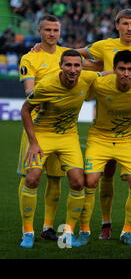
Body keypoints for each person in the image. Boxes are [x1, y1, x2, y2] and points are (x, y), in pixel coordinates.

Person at [19, 50, 99, 248]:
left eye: (77, 65)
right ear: (61, 66)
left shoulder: (88, 78)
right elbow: (25, 110)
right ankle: (27, 232)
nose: (73, 70)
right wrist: (34, 143)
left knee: (78, 182)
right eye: (68, 65)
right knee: (32, 178)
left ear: (82, 67)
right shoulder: (46, 85)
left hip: (68, 137)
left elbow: (107, 74)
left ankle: (69, 232)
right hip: (43, 135)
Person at [74, 50, 131, 246]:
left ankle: (127, 231)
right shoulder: (100, 84)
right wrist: (104, 73)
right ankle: (84, 231)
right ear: (115, 69)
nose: (126, 73)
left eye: (130, 69)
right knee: (91, 181)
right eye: (121, 69)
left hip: (128, 140)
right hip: (100, 138)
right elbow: (83, 82)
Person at [17, 15, 69, 241]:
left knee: (56, 178)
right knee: (32, 177)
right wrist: (47, 96)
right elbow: (29, 90)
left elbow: (94, 62)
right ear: (40, 31)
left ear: (59, 32)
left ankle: (48, 226)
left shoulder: (66, 55)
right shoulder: (30, 58)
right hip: (36, 124)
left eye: (55, 30)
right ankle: (26, 229)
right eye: (47, 30)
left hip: (62, 126)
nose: (51, 34)